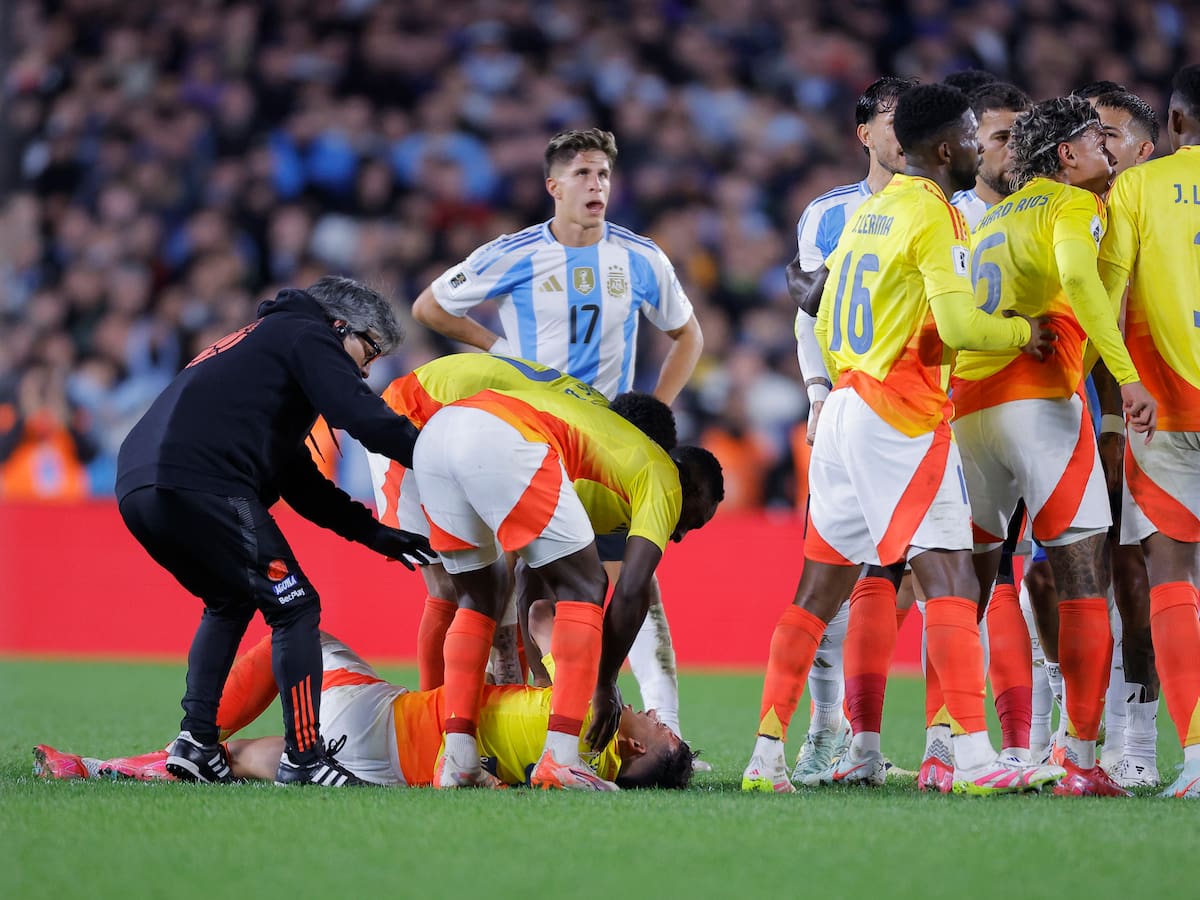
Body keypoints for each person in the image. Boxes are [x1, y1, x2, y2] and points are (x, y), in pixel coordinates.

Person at [741, 83, 1061, 796]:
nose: (981, 145)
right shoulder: (935, 214)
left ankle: (766, 753)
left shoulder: (867, 214)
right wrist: (1023, 334)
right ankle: (976, 760)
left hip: (847, 406)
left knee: (818, 590)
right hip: (901, 414)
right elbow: (959, 329)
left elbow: (822, 319)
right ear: (946, 149)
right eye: (974, 135)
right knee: (950, 574)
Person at [410, 128, 704, 750]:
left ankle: (665, 723)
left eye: (603, 174)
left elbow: (689, 337)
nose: (596, 185)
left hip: (600, 452)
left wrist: (651, 413)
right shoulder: (515, 253)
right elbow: (429, 308)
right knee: (510, 583)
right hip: (524, 441)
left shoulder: (642, 258)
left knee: (635, 581)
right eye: (582, 175)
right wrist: (498, 349)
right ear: (554, 187)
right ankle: (505, 713)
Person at [114, 276, 434, 787]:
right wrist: (441, 458)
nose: (367, 369)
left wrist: (374, 533)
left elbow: (294, 476)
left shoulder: (269, 346)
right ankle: (304, 759)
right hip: (202, 480)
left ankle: (196, 744)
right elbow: (363, 417)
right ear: (339, 326)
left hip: (141, 486)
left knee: (229, 600)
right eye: (369, 351)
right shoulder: (306, 336)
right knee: (296, 606)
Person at [949, 95, 1157, 797]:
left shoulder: (993, 219)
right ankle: (1082, 759)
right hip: (1040, 405)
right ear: (1067, 156)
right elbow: (1076, 277)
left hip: (968, 412)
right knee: (1079, 576)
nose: (1110, 149)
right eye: (1099, 139)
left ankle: (953, 750)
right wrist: (1125, 377)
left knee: (967, 590)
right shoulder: (1071, 207)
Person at [412, 386, 721, 790]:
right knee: (587, 582)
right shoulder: (662, 477)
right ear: (693, 488)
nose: (681, 536)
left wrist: (543, 675)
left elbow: (530, 579)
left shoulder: (597, 467)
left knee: (473, 597)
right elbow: (632, 591)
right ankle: (559, 758)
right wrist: (603, 682)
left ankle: (457, 751)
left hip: (437, 431)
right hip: (489, 427)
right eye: (696, 521)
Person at [32, 629, 695, 790]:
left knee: (292, 635)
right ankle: (90, 767)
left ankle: (195, 732)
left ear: (635, 746)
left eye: (658, 726)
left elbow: (551, 613)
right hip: (377, 773)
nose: (652, 714)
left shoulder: (582, 718)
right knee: (235, 763)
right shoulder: (576, 777)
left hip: (379, 715)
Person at [784, 76, 915, 781]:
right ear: (864, 134)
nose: (904, 133)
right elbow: (809, 311)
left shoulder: (944, 203)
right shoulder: (829, 213)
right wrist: (815, 391)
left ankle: (929, 739)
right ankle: (825, 731)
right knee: (832, 576)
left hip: (924, 413)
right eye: (893, 121)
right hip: (850, 411)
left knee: (928, 576)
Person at [1098, 63, 1200, 799]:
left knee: (1169, 577)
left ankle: (1195, 760)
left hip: (1163, 408)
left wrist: (1124, 382)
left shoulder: (1137, 187)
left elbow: (1105, 296)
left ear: (1176, 125)